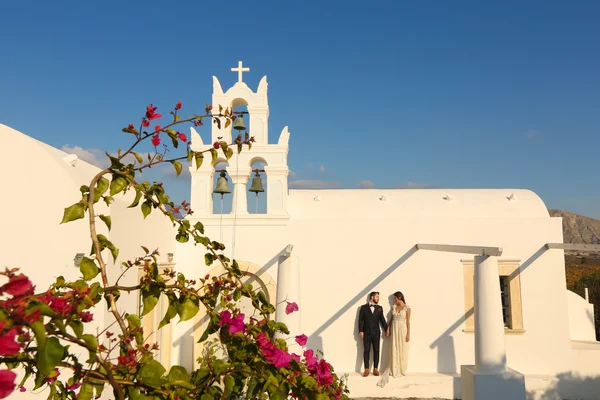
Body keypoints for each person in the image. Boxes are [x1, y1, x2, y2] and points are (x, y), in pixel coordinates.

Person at [358, 291, 388, 377]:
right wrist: (360, 331)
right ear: (372, 297)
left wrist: (387, 329)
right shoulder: (363, 308)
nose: (378, 298)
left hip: (376, 333)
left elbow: (382, 320)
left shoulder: (379, 308)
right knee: (366, 351)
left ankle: (375, 369)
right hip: (366, 333)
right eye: (377, 297)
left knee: (376, 350)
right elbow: (360, 320)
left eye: (378, 297)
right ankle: (366, 369)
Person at [385, 291, 411, 377]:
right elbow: (391, 319)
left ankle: (401, 368)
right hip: (394, 329)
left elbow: (408, 321)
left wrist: (408, 334)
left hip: (402, 329)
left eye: (395, 298)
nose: (394, 300)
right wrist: (388, 328)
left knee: (402, 346)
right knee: (394, 346)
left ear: (399, 297)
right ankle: (394, 367)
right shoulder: (394, 307)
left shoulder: (407, 308)